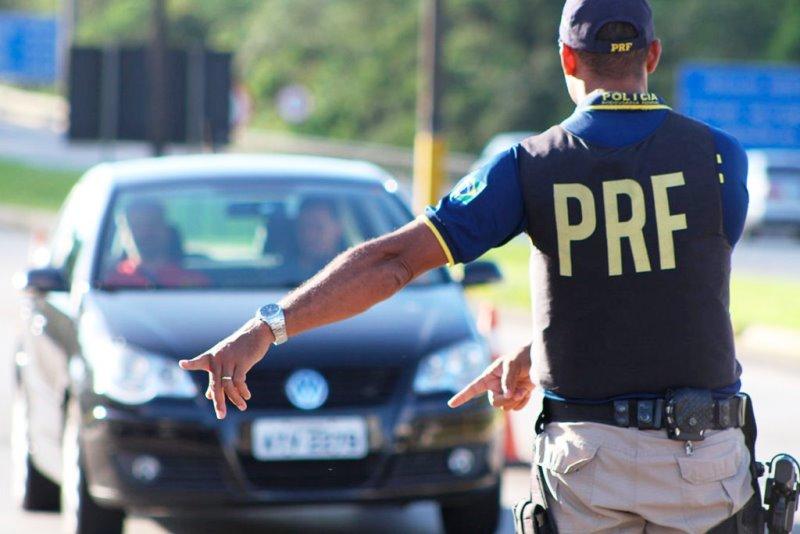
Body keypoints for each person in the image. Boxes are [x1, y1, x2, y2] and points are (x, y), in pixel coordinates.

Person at [179, 1, 755, 531]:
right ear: (653, 54)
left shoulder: (529, 165)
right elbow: (671, 290)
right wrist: (538, 353)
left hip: (589, 464)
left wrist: (266, 328)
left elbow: (395, 261)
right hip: (701, 461)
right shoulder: (720, 156)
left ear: (567, 58)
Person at [103, 199, 209, 288]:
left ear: (167, 230)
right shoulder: (110, 283)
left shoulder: (194, 281)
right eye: (136, 226)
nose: (145, 232)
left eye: (152, 224)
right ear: (123, 234)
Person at [293, 198, 346, 278]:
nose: (309, 235)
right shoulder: (278, 276)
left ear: (338, 229)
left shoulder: (356, 273)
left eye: (318, 228)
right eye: (303, 228)